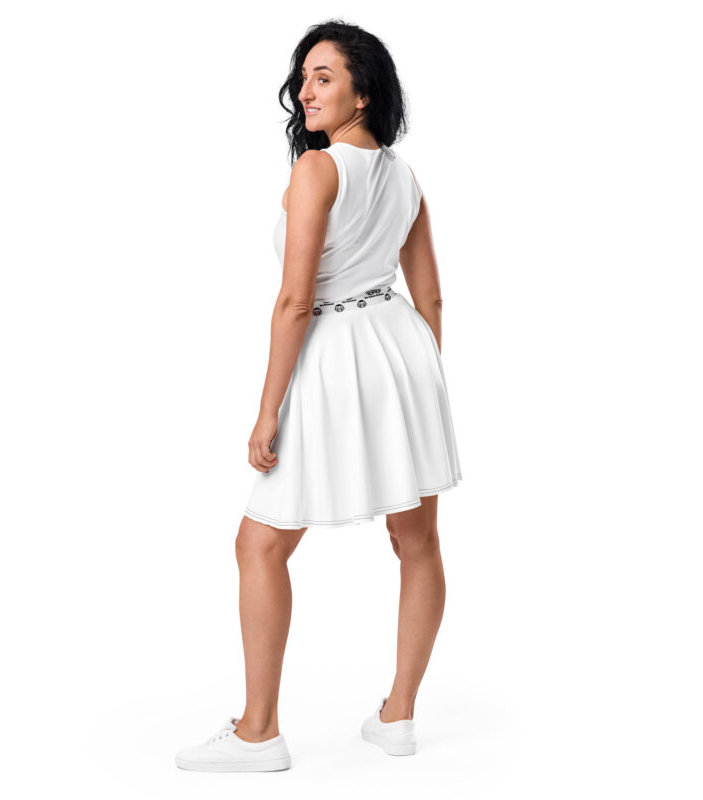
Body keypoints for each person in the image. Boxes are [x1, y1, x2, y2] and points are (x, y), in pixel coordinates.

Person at [175, 20, 462, 773]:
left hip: (335, 357)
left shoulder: (318, 169)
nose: (305, 90)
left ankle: (258, 733)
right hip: (403, 352)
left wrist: (267, 410)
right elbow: (431, 296)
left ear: (363, 92)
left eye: (324, 76)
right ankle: (398, 716)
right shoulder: (404, 176)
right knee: (417, 541)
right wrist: (418, 382)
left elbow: (295, 301)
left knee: (260, 543)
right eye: (303, 76)